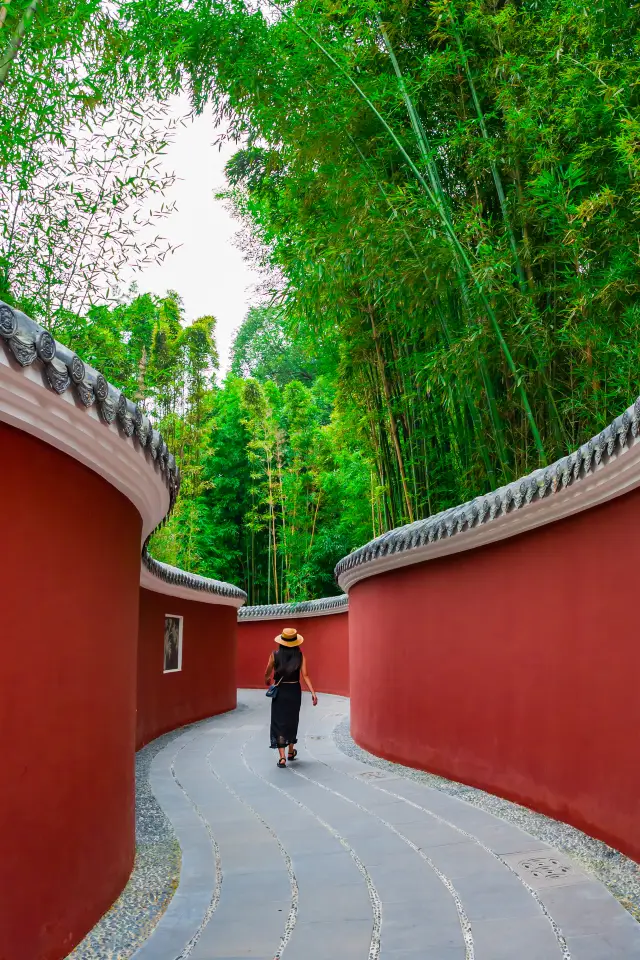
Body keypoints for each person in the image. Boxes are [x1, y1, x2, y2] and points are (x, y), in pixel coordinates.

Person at [265, 627, 318, 768]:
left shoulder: (274, 655)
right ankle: (290, 751)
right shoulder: (300, 656)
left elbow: (268, 670)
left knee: (279, 721)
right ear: (296, 642)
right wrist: (313, 692)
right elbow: (305, 675)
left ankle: (282, 758)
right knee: (292, 720)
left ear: (281, 641)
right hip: (294, 690)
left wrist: (267, 679)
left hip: (280, 691)